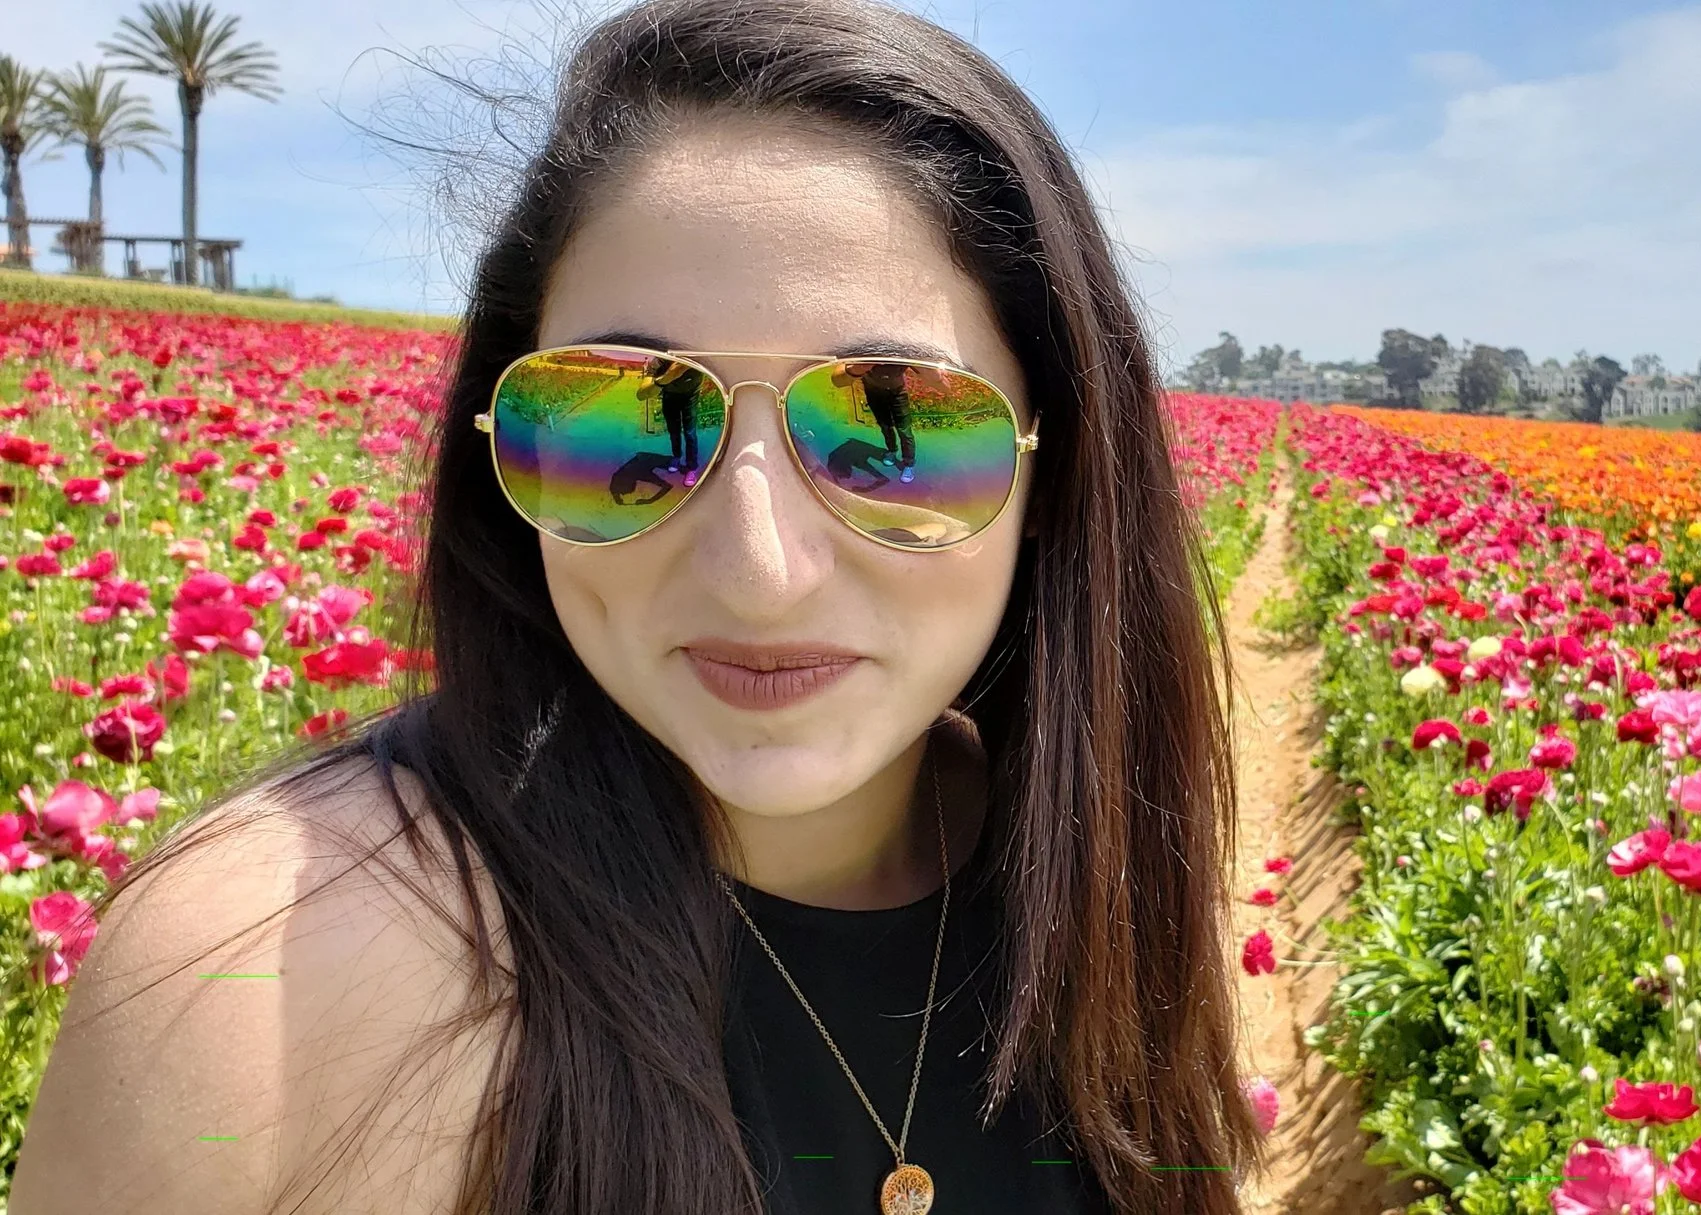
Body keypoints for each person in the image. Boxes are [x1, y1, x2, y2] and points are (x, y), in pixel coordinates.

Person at [8, 3, 1261, 1213]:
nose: (758, 572)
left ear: (1054, 467)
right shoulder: (267, 986)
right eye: (621, 422)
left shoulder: (1094, 886)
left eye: (898, 433)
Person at [647, 352, 706, 476]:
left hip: (691, 396)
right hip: (670, 395)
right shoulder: (662, 358)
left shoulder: (696, 354)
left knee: (690, 433)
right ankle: (676, 456)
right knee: (674, 431)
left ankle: (691, 467)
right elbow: (650, 376)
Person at [860, 359, 917, 484]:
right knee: (885, 426)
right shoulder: (868, 351)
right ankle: (892, 450)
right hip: (873, 392)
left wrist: (939, 379)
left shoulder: (899, 350)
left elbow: (922, 367)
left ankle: (909, 463)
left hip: (897, 391)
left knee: (904, 430)